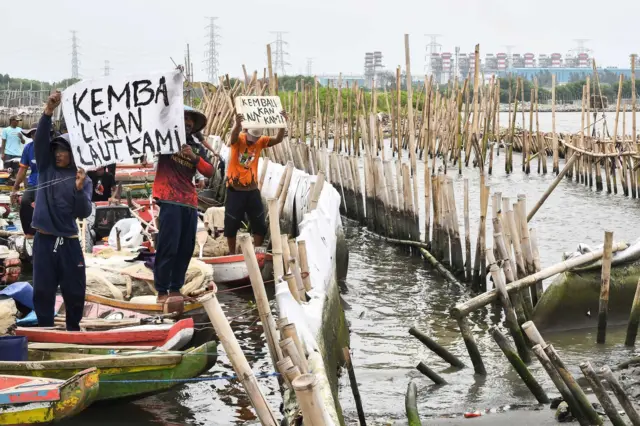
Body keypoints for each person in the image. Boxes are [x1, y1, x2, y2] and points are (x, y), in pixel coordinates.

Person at [31, 91, 93, 331]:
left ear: (74, 153)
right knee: (43, 289)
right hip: (44, 240)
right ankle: (46, 329)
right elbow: (39, 142)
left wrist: (78, 190)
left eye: (64, 150)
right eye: (56, 149)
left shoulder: (82, 178)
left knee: (75, 290)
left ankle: (73, 329)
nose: (59, 153)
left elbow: (83, 213)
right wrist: (48, 111)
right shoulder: (46, 167)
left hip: (69, 242)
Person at [152, 106, 213, 305]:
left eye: (190, 122)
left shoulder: (196, 147)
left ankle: (175, 288)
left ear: (193, 126)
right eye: (183, 120)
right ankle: (162, 290)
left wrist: (194, 158)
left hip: (190, 202)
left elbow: (210, 171)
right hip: (169, 199)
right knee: (168, 246)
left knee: (186, 247)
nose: (186, 124)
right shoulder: (165, 139)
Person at [225, 111, 287, 254]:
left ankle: (257, 251)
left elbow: (278, 139)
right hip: (235, 190)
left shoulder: (260, 141)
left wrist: (282, 124)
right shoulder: (239, 139)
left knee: (259, 222)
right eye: (251, 138)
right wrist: (236, 125)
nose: (253, 141)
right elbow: (232, 138)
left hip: (252, 190)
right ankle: (231, 252)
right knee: (231, 222)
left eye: (255, 138)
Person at [10, 128, 40, 237]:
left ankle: (43, 232)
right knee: (25, 202)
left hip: (49, 183)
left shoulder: (52, 146)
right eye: (33, 134)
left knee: (40, 205)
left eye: (38, 133)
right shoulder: (28, 148)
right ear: (30, 135)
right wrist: (15, 188)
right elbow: (22, 170)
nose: (35, 136)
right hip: (33, 182)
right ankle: (29, 233)